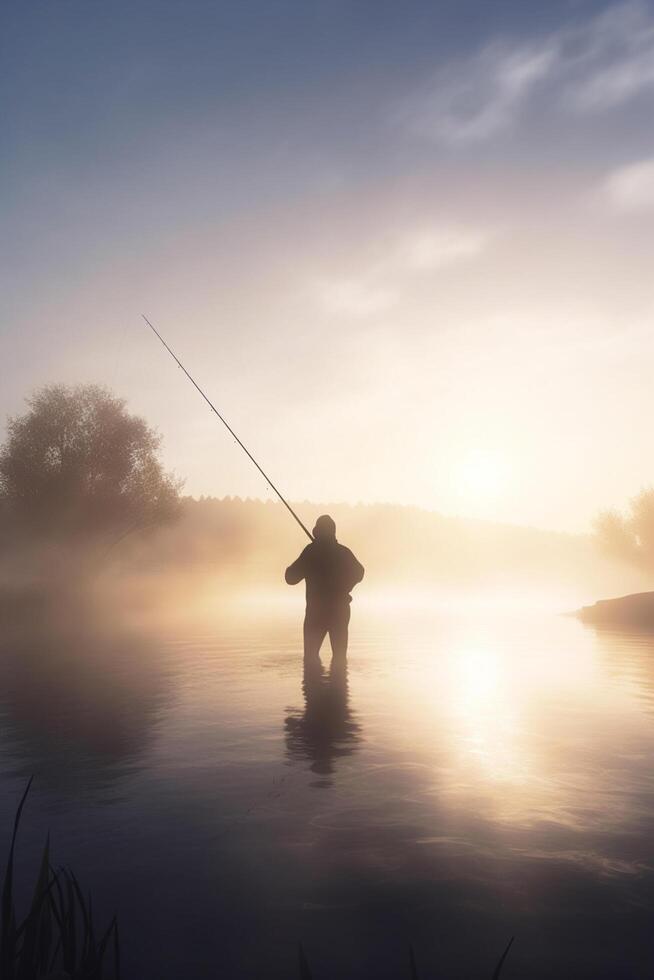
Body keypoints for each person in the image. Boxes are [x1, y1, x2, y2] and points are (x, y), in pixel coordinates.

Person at [285, 515, 364, 659]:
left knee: (310, 658)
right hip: (340, 611)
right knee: (340, 659)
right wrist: (345, 588)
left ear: (317, 532)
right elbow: (359, 572)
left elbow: (290, 578)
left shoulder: (311, 552)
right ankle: (339, 680)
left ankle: (312, 681)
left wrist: (289, 568)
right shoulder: (343, 552)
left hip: (316, 613)